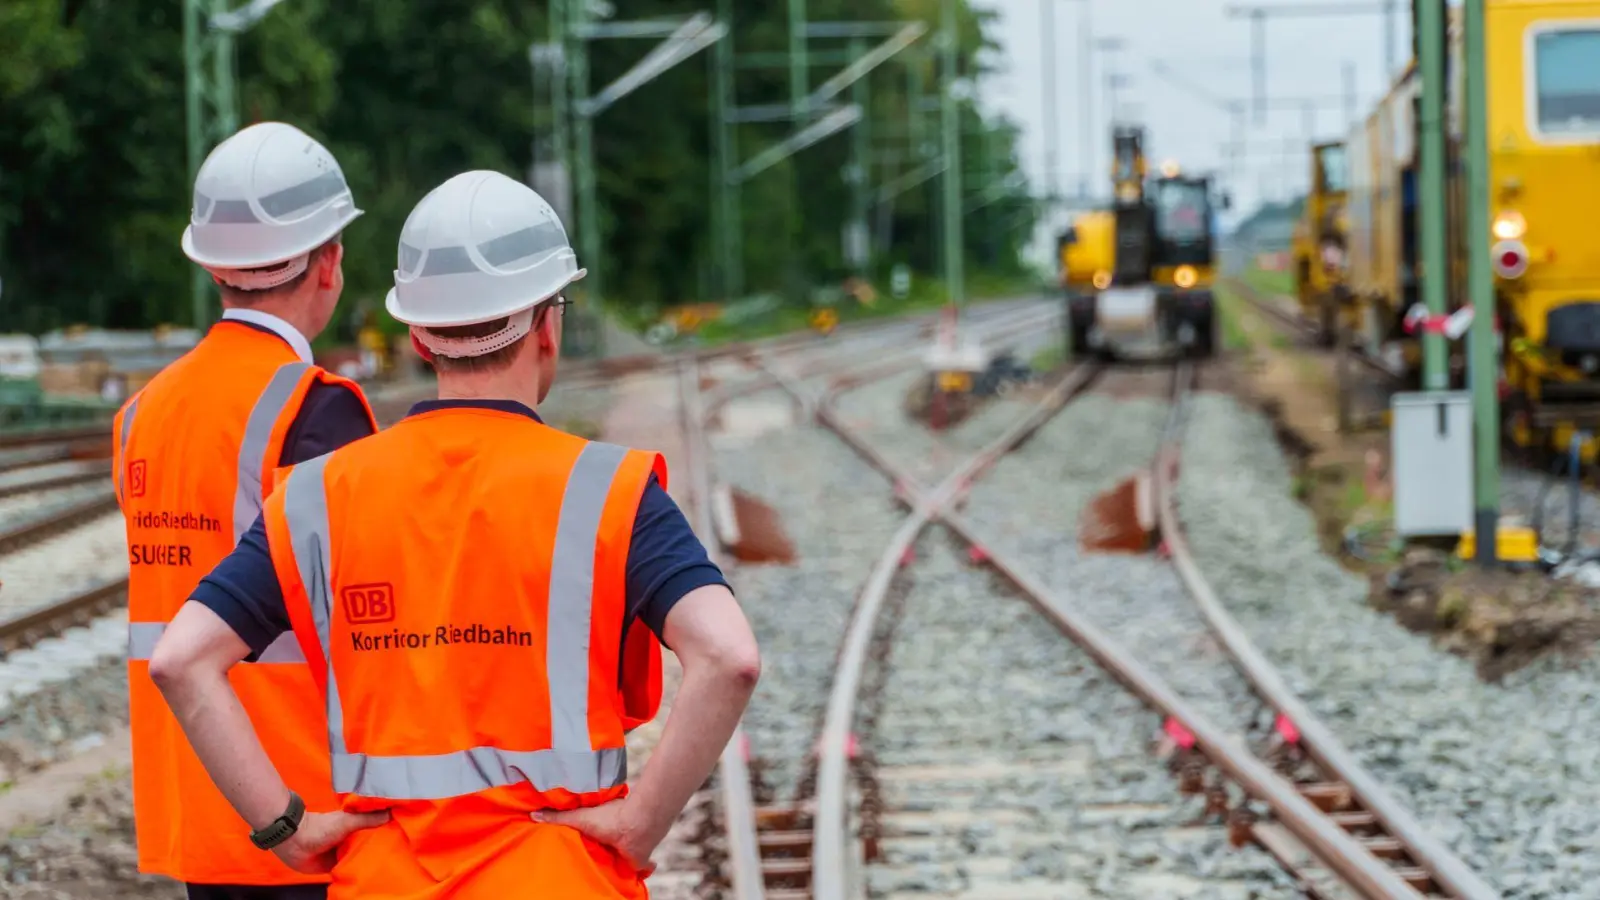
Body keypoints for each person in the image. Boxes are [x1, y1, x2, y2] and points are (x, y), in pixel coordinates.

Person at [148, 170, 761, 899]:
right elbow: (728, 657)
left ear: (417, 335)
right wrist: (640, 824)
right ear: (547, 325)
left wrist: (287, 828)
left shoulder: (315, 496)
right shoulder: (609, 491)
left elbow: (181, 660)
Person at [113, 121, 379, 900]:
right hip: (305, 808)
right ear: (328, 262)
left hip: (198, 805)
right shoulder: (315, 411)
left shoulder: (141, 413)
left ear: (213, 267)